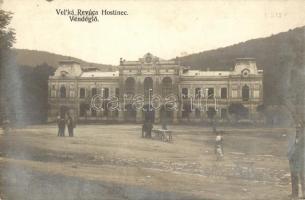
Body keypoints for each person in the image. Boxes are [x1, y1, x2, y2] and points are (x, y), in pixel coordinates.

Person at [288, 122, 305, 200]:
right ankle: (295, 193)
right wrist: (289, 154)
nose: (297, 129)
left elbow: (300, 148)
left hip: (301, 158)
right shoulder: (294, 137)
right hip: (294, 158)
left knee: (302, 176)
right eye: (296, 128)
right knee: (294, 175)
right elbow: (292, 146)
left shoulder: (303, 137)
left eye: (299, 128)